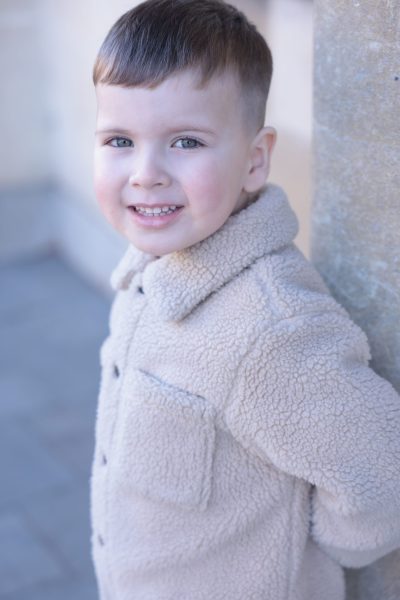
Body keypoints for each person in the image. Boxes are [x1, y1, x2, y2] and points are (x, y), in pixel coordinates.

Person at [90, 1, 400, 598]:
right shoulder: (149, 270)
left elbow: (385, 475)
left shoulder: (270, 326)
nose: (146, 173)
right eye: (119, 140)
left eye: (185, 141)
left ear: (255, 160)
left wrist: (303, 556)